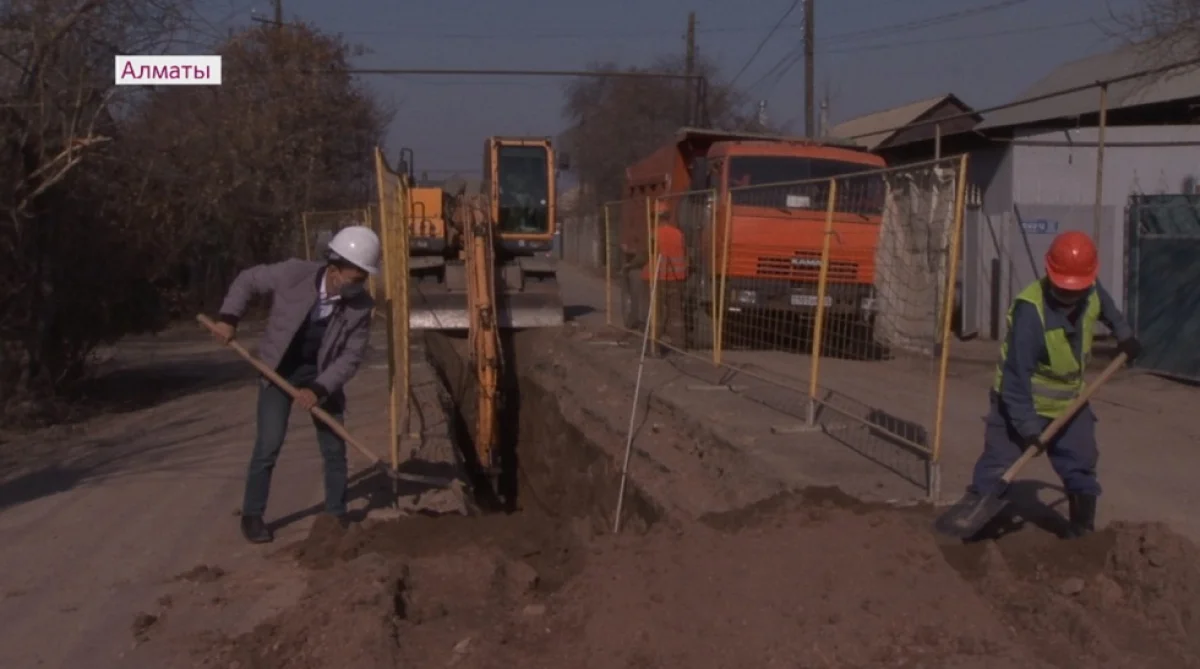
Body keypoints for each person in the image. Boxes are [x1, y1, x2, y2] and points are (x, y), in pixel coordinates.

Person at [209, 225, 380, 544]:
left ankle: (336, 514)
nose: (360, 286)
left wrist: (318, 389)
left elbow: (350, 357)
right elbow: (247, 280)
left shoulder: (361, 307)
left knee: (333, 448)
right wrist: (228, 318)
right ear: (334, 270)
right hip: (279, 371)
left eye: (364, 280)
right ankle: (252, 514)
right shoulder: (293, 274)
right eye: (355, 279)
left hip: (322, 377)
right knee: (268, 445)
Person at [968, 230, 1141, 539]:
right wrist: (1029, 429)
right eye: (1063, 290)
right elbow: (1015, 381)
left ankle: (1081, 531)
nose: (1069, 297)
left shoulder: (1090, 289)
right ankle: (979, 528)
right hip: (1018, 403)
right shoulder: (1030, 313)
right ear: (1051, 274)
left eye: (1075, 290)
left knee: (1080, 462)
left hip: (1069, 403)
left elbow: (1109, 309)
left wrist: (1124, 335)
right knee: (998, 464)